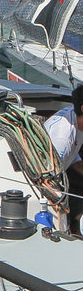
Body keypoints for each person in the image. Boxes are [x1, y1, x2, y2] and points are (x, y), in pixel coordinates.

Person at [43, 84, 83, 233]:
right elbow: (48, 180)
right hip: (50, 179)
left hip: (61, 167)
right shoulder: (63, 137)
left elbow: (73, 155)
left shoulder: (76, 118)